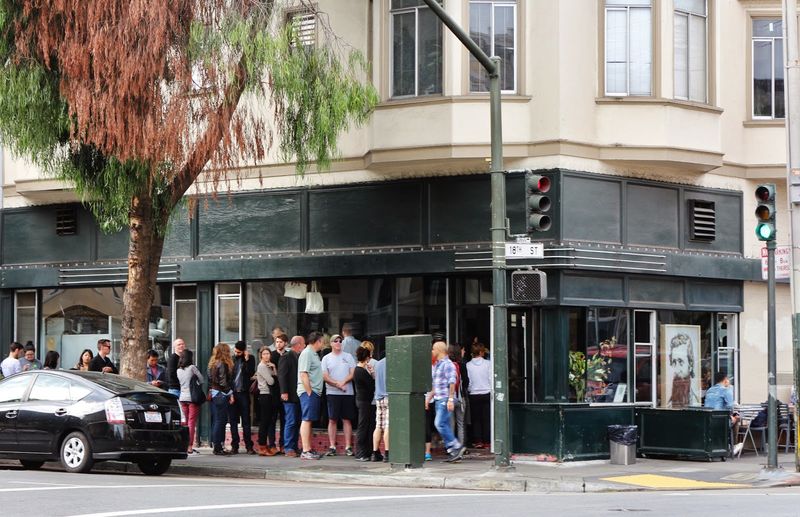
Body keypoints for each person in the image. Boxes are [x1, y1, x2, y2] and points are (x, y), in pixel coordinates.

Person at [426, 340, 466, 463]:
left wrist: (450, 399)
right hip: (438, 399)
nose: (432, 351)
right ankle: (453, 451)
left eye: (433, 349)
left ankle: (456, 446)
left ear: (439, 351)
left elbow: (452, 382)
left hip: (445, 399)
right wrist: (429, 398)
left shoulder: (448, 364)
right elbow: (437, 385)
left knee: (439, 423)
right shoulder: (438, 365)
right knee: (443, 424)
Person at [321, 333, 356, 456]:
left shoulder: (348, 356)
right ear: (331, 343)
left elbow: (352, 373)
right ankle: (332, 446)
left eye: (340, 341)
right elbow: (325, 376)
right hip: (332, 392)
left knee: (347, 419)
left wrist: (343, 382)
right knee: (332, 419)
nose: (338, 343)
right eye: (335, 341)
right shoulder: (326, 358)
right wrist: (337, 384)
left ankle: (348, 446)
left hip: (347, 392)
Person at [298, 331, 325, 460]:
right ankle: (305, 450)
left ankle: (308, 449)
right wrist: (309, 392)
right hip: (309, 391)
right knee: (306, 419)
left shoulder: (313, 353)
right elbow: (303, 373)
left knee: (309, 420)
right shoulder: (307, 353)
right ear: (318, 341)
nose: (323, 344)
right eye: (322, 341)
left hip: (314, 391)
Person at [279, 335, 305, 458]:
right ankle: (288, 447)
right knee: (291, 421)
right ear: (298, 344)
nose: (304, 346)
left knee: (297, 421)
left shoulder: (299, 356)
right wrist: (284, 392)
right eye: (303, 344)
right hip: (289, 395)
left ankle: (294, 446)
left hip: (298, 394)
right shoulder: (286, 356)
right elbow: (282, 375)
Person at [230, 340, 256, 454]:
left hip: (243, 393)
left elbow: (250, 373)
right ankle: (234, 446)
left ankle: (249, 446)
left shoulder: (250, 359)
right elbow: (229, 377)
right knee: (233, 421)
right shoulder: (231, 359)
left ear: (244, 351)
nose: (236, 354)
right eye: (235, 351)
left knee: (246, 420)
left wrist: (246, 360)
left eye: (239, 352)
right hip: (233, 393)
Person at [208, 343, 234, 455]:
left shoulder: (212, 363)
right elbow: (223, 382)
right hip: (221, 394)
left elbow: (210, 379)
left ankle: (217, 445)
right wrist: (230, 393)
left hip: (214, 393)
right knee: (220, 421)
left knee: (216, 421)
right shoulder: (222, 364)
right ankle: (218, 447)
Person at [177, 350, 203, 455]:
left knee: (184, 423)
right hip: (192, 398)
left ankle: (183, 445)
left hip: (182, 398)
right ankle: (190, 446)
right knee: (191, 423)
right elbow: (202, 379)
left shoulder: (178, 370)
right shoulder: (192, 368)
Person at [466, 343, 491, 449]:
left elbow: (468, 381)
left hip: (474, 394)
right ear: (481, 352)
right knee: (486, 418)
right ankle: (487, 441)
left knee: (476, 419)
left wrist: (470, 389)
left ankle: (478, 441)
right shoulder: (488, 364)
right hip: (486, 393)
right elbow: (490, 378)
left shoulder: (468, 365)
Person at [353, 346, 375, 461]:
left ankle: (364, 451)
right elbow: (372, 385)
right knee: (363, 426)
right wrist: (372, 374)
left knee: (365, 425)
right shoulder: (361, 371)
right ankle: (361, 452)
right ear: (366, 358)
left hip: (362, 400)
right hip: (364, 401)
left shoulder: (358, 370)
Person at [255, 345, 278, 456]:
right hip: (265, 395)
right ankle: (262, 447)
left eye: (268, 353)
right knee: (264, 422)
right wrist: (273, 375)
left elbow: (275, 377)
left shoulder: (268, 366)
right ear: (261, 356)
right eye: (264, 354)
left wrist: (274, 368)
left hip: (269, 395)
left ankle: (266, 446)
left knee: (268, 421)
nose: (266, 356)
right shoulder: (262, 366)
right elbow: (271, 381)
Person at [668, 333, 700, 408]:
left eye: (680, 362)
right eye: (674, 362)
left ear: (690, 365)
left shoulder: (695, 403)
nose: (676, 370)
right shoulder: (668, 405)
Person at [269, 333, 289, 453]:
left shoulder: (288, 355)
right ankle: (272, 445)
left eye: (281, 342)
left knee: (284, 420)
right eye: (277, 342)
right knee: (272, 419)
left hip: (285, 391)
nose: (278, 344)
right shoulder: (272, 356)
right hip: (274, 392)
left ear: (285, 343)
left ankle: (283, 444)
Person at [447, 343, 467, 448]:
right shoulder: (462, 365)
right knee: (460, 424)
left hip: (450, 398)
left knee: (451, 424)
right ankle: (461, 447)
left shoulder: (447, 365)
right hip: (460, 396)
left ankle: (451, 447)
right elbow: (466, 381)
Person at [372, 355, 389, 462]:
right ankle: (387, 453)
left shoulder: (378, 364)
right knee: (388, 426)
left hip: (378, 397)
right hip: (389, 396)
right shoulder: (393, 363)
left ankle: (375, 453)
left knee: (378, 426)